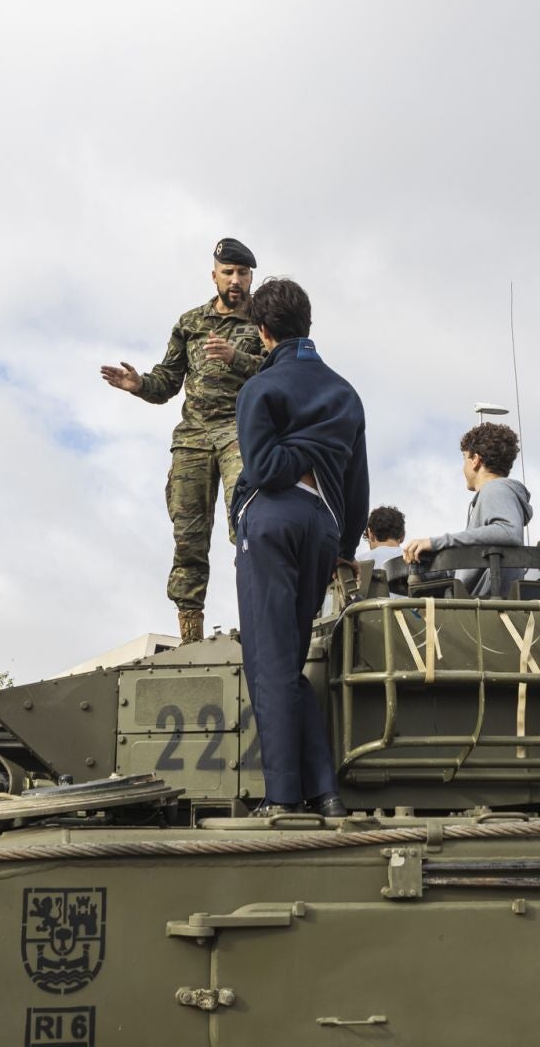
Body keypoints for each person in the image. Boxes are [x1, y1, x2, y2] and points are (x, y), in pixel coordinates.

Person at [228, 279, 368, 819]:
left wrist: (297, 452)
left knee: (267, 661)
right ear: (307, 325)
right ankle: (325, 793)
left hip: (272, 519)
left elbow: (261, 468)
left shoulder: (260, 389)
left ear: (263, 333)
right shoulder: (345, 393)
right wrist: (344, 545)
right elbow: (358, 487)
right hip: (324, 529)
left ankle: (283, 796)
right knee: (288, 661)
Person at [100, 238, 265, 643]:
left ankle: (261, 622)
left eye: (243, 273)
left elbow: (281, 370)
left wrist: (237, 358)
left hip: (238, 433)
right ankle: (190, 637)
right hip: (192, 438)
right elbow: (168, 381)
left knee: (249, 525)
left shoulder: (265, 319)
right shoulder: (191, 322)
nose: (236, 280)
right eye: (228, 272)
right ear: (214, 275)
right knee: (188, 536)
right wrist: (139, 384)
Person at [400, 423, 531, 598]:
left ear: (475, 460)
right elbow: (472, 566)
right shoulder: (493, 494)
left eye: (464, 458)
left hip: (483, 610)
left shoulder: (496, 489)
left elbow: (508, 531)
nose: (463, 467)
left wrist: (437, 542)